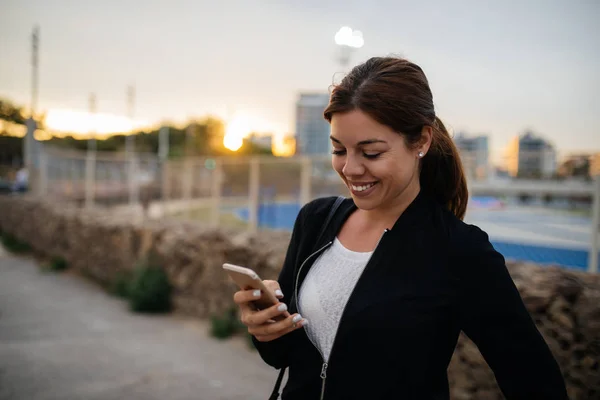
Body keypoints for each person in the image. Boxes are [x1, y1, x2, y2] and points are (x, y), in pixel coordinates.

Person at [233, 56, 568, 399]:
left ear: (421, 141)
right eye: (338, 149)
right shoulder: (315, 220)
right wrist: (264, 328)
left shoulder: (459, 250)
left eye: (372, 153)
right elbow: (282, 357)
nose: (350, 168)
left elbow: (535, 380)